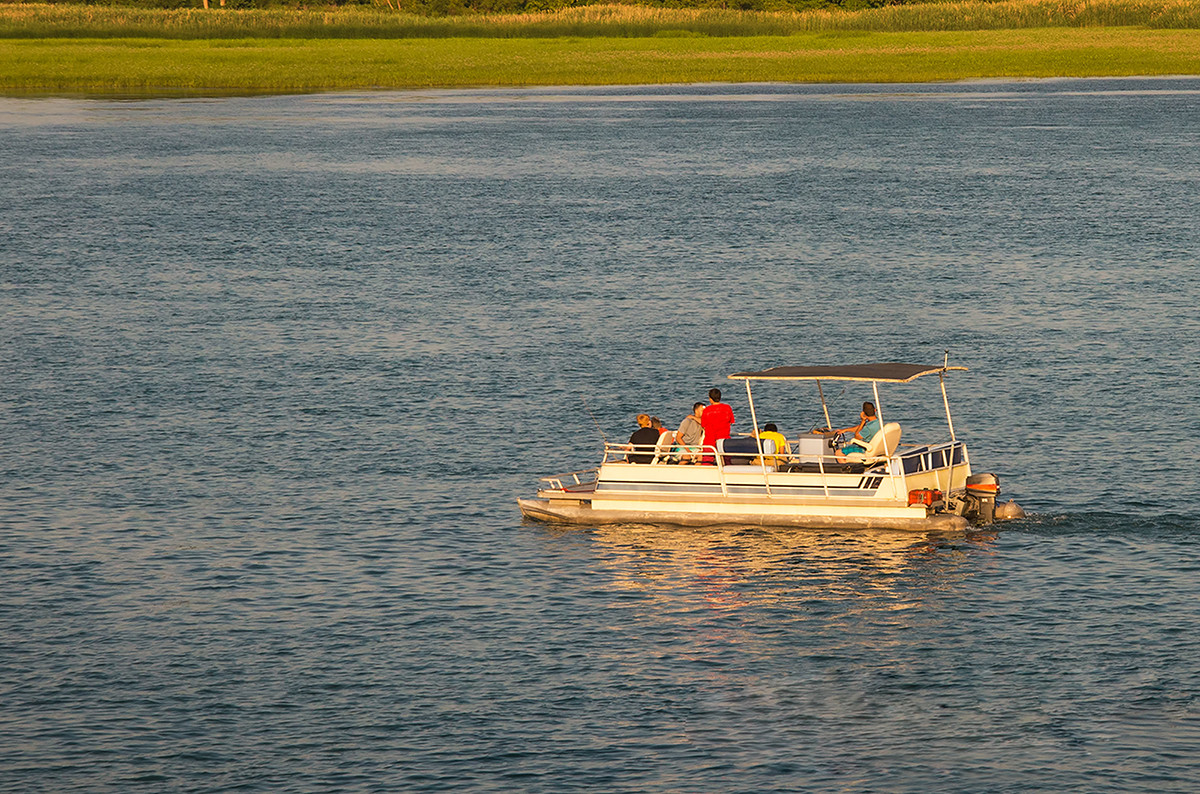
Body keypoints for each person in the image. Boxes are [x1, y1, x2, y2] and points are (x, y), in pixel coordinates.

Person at [700, 388, 735, 464]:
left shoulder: (707, 410)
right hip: (724, 441)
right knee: (727, 462)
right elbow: (731, 422)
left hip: (710, 441)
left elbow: (703, 425)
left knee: (707, 462)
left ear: (710, 399)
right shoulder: (727, 408)